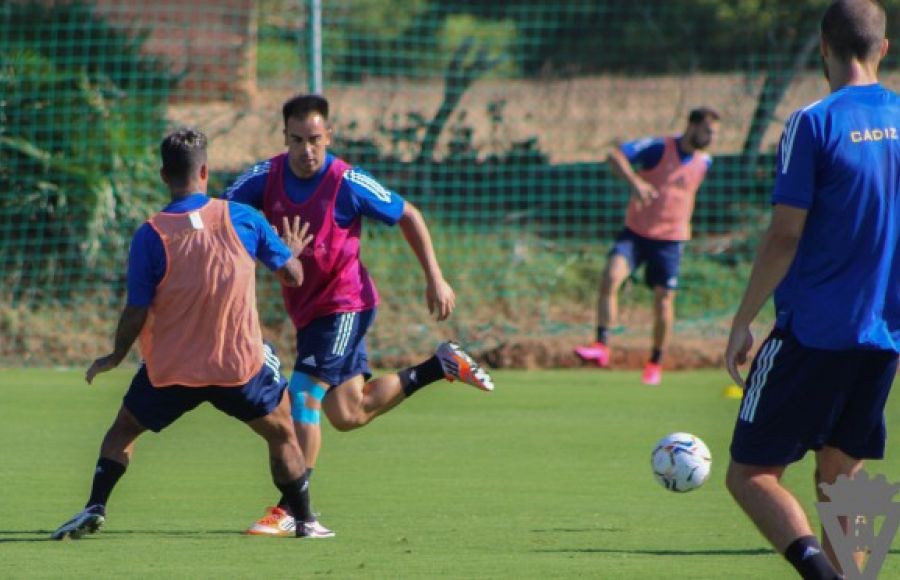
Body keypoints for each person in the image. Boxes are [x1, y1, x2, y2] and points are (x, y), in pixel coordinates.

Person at [222, 94, 494, 537]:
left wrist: (435, 277)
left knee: (303, 397)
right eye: (297, 140)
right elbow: (222, 217)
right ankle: (438, 365)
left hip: (345, 304)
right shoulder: (263, 177)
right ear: (284, 138)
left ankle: (292, 507)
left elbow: (409, 213)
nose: (307, 149)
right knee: (349, 413)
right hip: (308, 312)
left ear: (329, 135)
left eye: (315, 139)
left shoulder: (348, 181)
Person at [51, 128, 335, 540]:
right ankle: (306, 521)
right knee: (283, 432)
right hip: (238, 367)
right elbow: (292, 276)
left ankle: (95, 505)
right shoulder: (243, 217)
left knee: (122, 431)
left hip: (171, 370)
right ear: (205, 171)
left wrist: (114, 356)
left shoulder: (150, 234)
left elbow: (136, 310)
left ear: (164, 175)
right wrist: (289, 252)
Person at [724, 1, 898, 577]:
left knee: (750, 475)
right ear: (883, 48)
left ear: (824, 47)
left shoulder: (813, 122)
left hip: (814, 331)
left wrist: (743, 318)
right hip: (883, 335)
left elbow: (784, 235)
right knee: (841, 475)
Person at [574, 107, 720, 385]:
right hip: (636, 233)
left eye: (714, 133)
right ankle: (601, 346)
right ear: (691, 126)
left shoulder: (705, 162)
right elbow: (614, 156)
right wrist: (636, 183)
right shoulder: (658, 148)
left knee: (664, 302)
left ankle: (655, 363)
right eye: (707, 131)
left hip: (671, 241)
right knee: (610, 277)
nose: (711, 137)